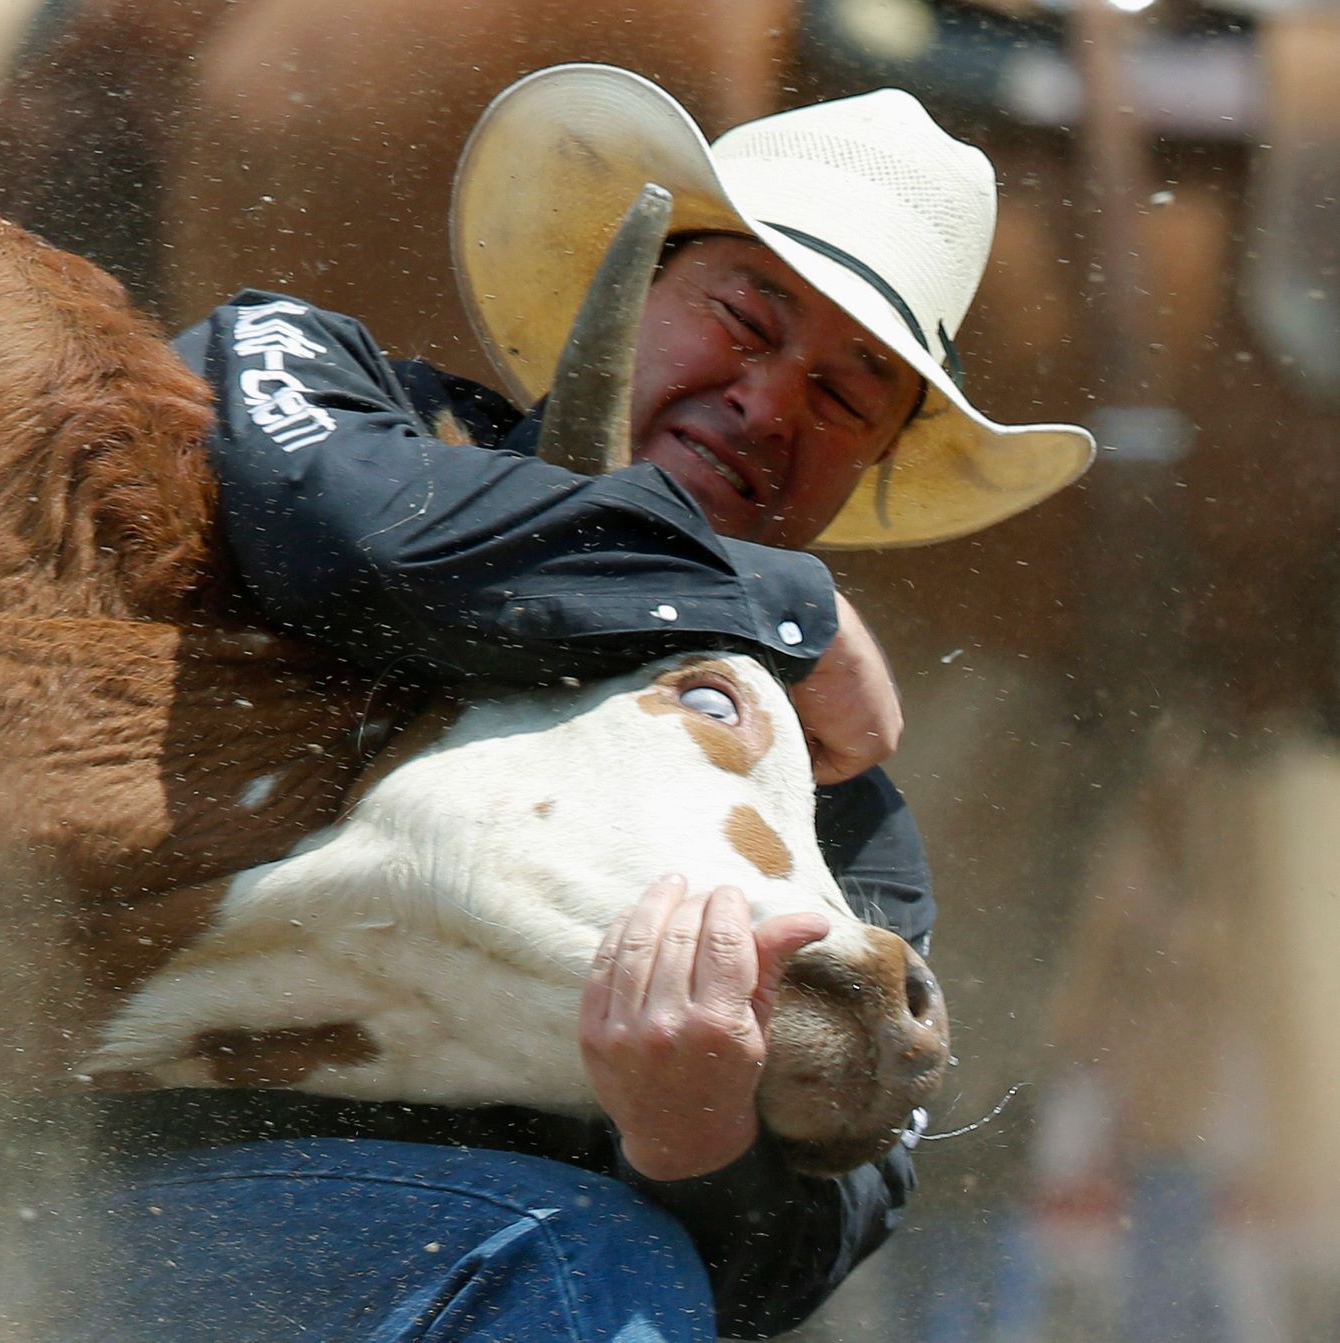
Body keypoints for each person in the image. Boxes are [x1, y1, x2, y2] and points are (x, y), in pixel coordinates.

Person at [54, 65, 1095, 1341]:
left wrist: (697, 1143)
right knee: (578, 1267)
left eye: (842, 395)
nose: (768, 403)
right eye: (746, 322)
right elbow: (343, 532)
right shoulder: (322, 374)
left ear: (872, 461)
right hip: (57, 1170)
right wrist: (780, 603)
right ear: (639, 275)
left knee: (589, 1259)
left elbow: (820, 1235)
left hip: (445, 1262)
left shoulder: (836, 809)